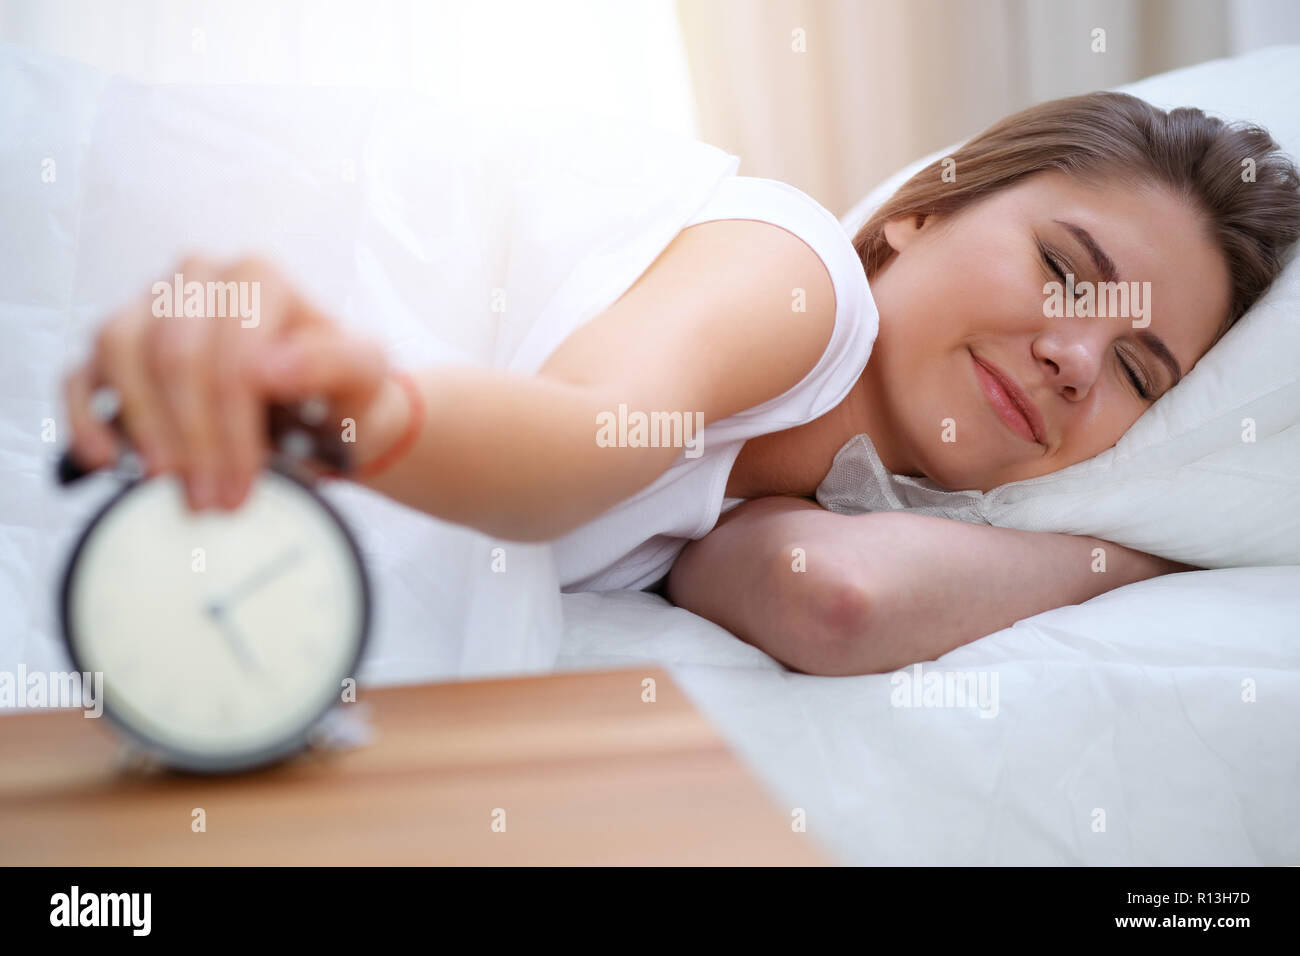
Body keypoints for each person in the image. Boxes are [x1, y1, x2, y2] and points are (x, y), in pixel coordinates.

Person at [62, 92, 1300, 676]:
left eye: (1141, 369)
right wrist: (370, 409)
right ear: (920, 212)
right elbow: (584, 435)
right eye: (1062, 270)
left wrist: (1132, 545)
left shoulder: (804, 493)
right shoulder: (796, 276)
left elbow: (837, 601)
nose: (1075, 359)